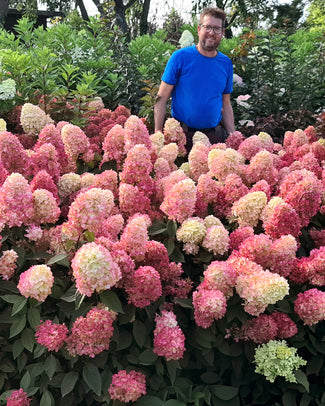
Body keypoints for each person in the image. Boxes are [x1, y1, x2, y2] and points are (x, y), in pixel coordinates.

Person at [154, 7, 236, 153]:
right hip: (183, 137)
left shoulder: (226, 63)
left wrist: (233, 135)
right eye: (207, 27)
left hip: (213, 137)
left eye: (216, 29)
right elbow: (161, 98)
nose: (211, 32)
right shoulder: (180, 58)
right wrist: (158, 131)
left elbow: (226, 104)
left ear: (222, 33)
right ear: (199, 29)